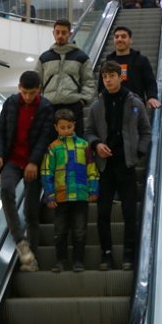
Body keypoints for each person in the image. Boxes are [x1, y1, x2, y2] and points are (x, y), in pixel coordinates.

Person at [86, 61, 152, 271]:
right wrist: (96, 145)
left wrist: (139, 152)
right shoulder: (97, 105)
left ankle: (129, 254)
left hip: (127, 165)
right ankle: (106, 255)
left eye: (111, 75)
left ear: (120, 77)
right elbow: (88, 132)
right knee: (103, 213)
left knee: (129, 212)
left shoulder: (134, 102)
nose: (107, 80)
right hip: (105, 167)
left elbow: (146, 131)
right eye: (104, 76)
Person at [0, 70, 56, 272]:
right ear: (19, 88)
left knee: (31, 212)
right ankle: (20, 242)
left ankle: (31, 258)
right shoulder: (10, 103)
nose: (27, 97)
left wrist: (34, 162)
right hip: (12, 160)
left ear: (39, 91)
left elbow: (45, 137)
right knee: (6, 189)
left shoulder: (45, 107)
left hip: (34, 164)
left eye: (32, 93)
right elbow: (0, 130)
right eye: (24, 92)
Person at [42, 109, 99, 272]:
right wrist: (49, 194)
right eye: (62, 127)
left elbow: (91, 168)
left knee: (80, 230)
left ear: (74, 125)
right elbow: (46, 171)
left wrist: (93, 189)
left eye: (69, 127)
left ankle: (78, 261)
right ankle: (60, 260)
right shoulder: (53, 148)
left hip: (81, 196)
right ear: (56, 128)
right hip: (61, 197)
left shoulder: (84, 145)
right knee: (60, 231)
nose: (66, 130)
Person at [36, 19, 97, 136]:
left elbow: (89, 81)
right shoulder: (44, 58)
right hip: (50, 106)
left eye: (64, 33)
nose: (60, 36)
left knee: (75, 144)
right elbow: (37, 81)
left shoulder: (81, 57)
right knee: (51, 144)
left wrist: (83, 100)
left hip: (73, 106)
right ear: (53, 33)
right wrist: (39, 102)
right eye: (57, 32)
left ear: (70, 33)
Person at [98, 26, 161, 109]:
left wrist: (152, 97)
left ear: (130, 40)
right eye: (116, 37)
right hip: (112, 107)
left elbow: (150, 82)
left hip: (135, 107)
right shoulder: (107, 63)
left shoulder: (141, 60)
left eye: (123, 36)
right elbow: (101, 86)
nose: (119, 39)